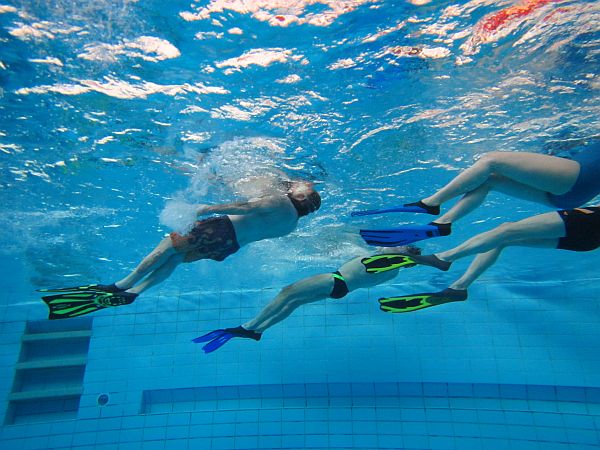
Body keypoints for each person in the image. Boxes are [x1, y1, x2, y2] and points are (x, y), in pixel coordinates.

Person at [40, 181, 321, 319]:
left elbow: (244, 208)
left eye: (299, 187)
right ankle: (134, 294)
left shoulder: (277, 201)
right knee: (174, 260)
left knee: (165, 248)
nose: (295, 185)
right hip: (228, 245)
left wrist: (200, 209)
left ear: (300, 196)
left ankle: (119, 285)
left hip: (220, 228)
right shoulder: (291, 226)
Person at [357, 142, 600, 247]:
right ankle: (442, 223)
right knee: (490, 181)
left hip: (580, 180)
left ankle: (430, 203)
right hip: (572, 194)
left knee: (492, 161)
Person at [365, 206, 600, 313]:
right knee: (501, 239)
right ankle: (458, 287)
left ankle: (443, 258)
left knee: (506, 230)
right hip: (588, 240)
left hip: (591, 222)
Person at [193, 246, 421, 353]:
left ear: (405, 254)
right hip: (341, 288)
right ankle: (258, 330)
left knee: (286, 292)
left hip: (335, 279)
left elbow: (380, 253)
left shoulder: (391, 263)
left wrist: (395, 250)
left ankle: (248, 326)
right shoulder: (394, 271)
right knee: (294, 302)